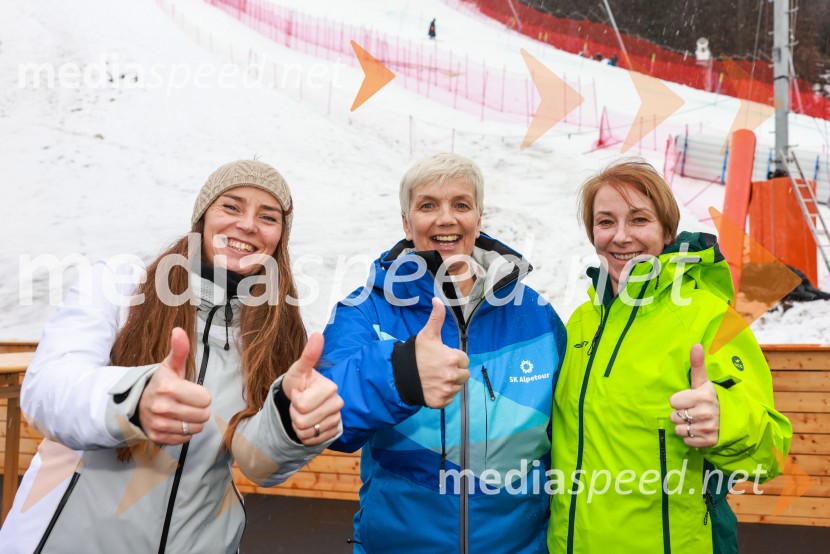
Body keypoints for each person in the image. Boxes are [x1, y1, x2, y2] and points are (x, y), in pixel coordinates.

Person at [1, 160, 343, 553]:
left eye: (268, 217)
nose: (248, 225)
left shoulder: (273, 332)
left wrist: (290, 421)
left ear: (279, 238)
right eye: (231, 207)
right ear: (201, 217)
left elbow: (258, 464)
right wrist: (135, 398)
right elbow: (48, 391)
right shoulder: (123, 284)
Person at [320, 153, 567, 552]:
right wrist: (400, 374)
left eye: (461, 205)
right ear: (406, 222)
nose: (446, 219)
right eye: (428, 205)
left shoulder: (537, 317)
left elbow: (572, 434)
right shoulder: (367, 309)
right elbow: (328, 420)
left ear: (479, 217)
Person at [548, 159, 792, 553]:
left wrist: (724, 420)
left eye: (639, 219)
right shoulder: (581, 322)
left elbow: (770, 454)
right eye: (606, 222)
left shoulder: (708, 317)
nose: (621, 237)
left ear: (667, 231)